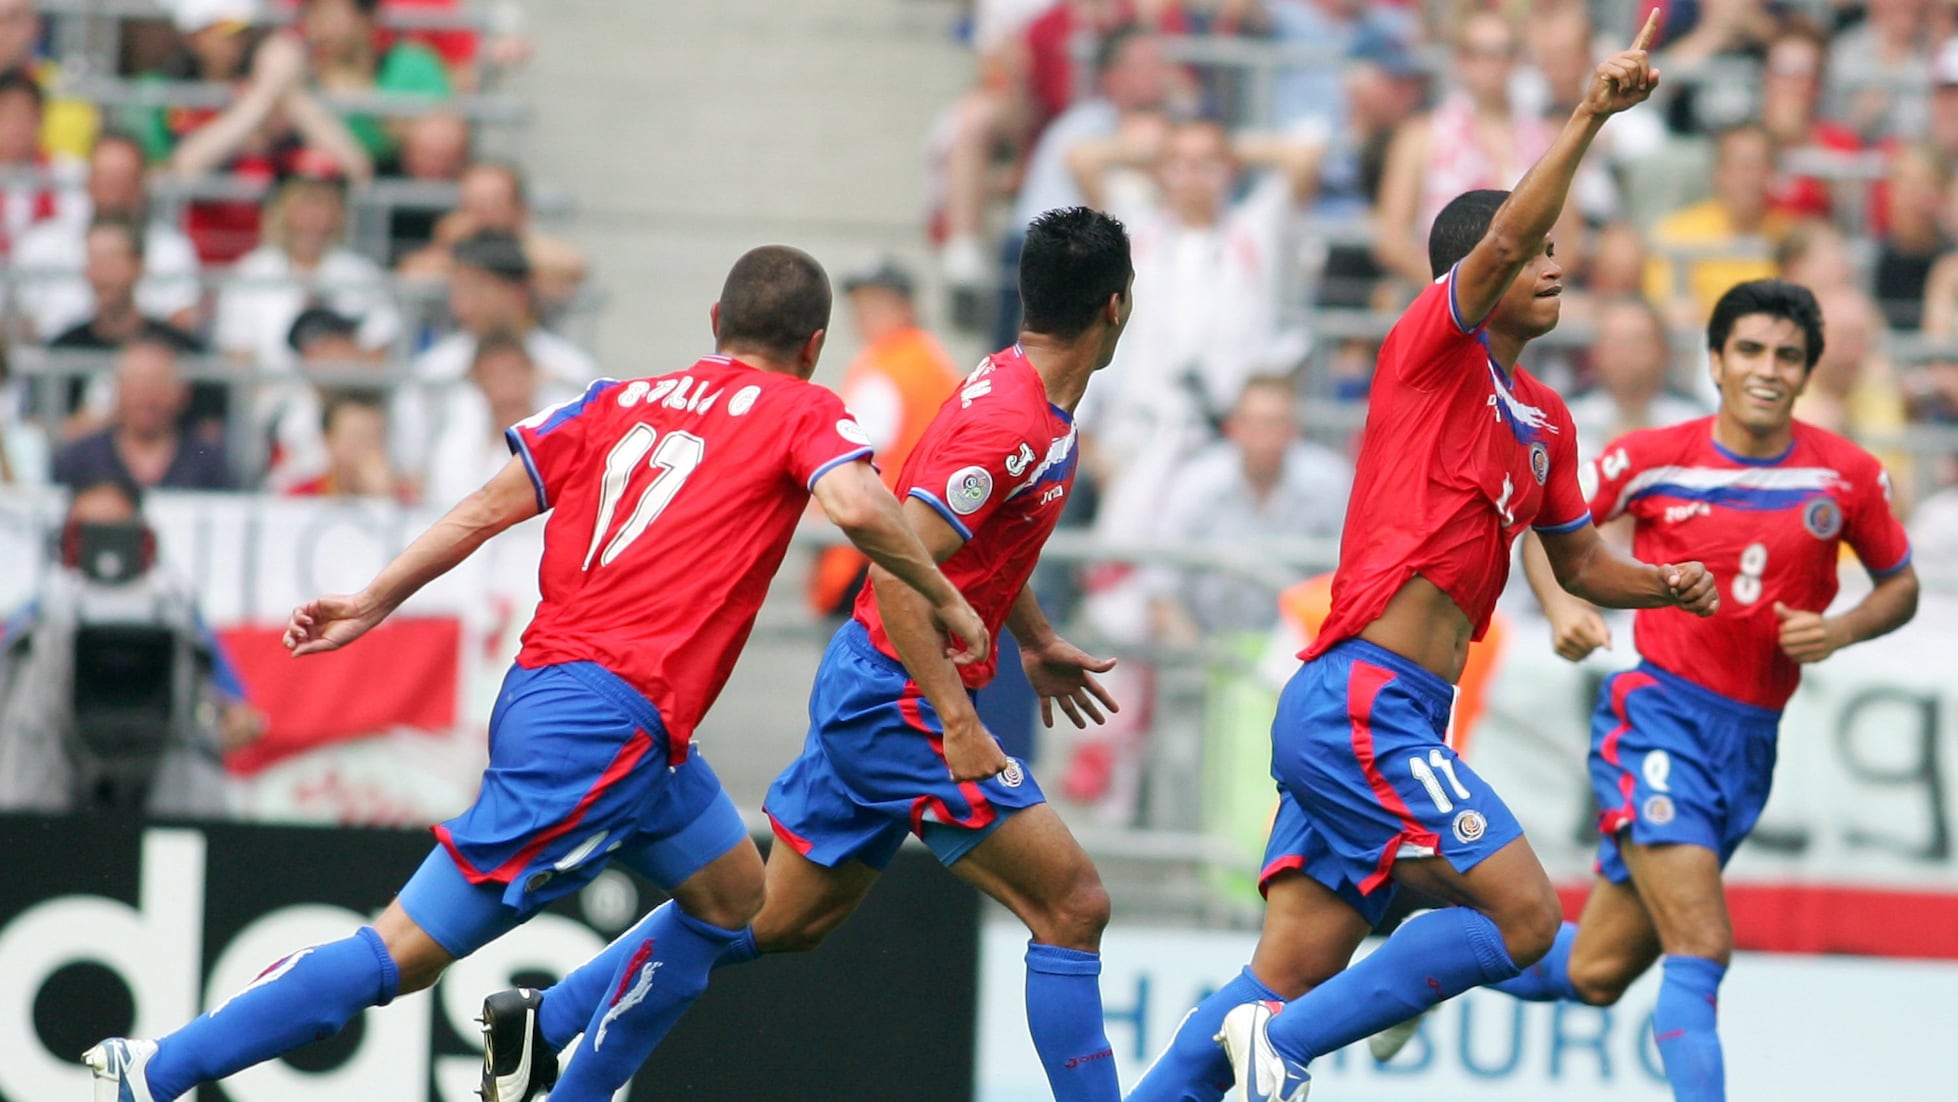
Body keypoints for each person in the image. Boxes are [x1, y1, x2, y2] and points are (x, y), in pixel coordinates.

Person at [83, 244, 988, 1102]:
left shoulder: (615, 398)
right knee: (399, 952)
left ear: (715, 318)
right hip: (601, 730)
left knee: (732, 895)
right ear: (816, 346)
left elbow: (484, 508)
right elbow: (857, 503)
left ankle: (550, 1053)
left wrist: (372, 599)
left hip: (585, 707)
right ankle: (159, 1069)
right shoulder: (803, 408)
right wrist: (945, 597)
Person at [1126, 18, 1719, 1102]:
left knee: (1278, 975)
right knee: (1524, 916)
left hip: (1386, 713)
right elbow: (1494, 245)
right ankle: (1304, 1042)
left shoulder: (1542, 419)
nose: (1552, 269)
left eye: (1554, 254)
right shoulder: (1426, 354)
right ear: (1480, 270)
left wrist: (1663, 583)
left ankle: (1246, 1051)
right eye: (1535, 252)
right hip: (1360, 702)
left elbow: (1579, 563)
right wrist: (1585, 112)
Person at [480, 207, 1136, 1102]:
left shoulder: (1015, 386)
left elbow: (957, 539)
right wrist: (955, 721)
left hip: (880, 681)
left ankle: (549, 1024)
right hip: (899, 697)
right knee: (1073, 907)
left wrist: (1038, 637)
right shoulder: (1012, 424)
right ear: (1118, 305)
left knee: (775, 917)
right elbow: (902, 568)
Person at [1482, 280, 1920, 1101]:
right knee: (1703, 944)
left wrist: (1843, 628)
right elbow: (1546, 519)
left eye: (1787, 356)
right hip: (1660, 719)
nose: (1767, 369)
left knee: (1595, 970)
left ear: (1807, 374)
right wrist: (1561, 602)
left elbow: (1900, 586)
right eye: (1749, 350)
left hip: (1748, 745)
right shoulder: (1652, 457)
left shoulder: (1848, 477)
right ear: (1715, 361)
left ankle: (1426, 963)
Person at [0, 476, 259, 816]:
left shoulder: (175, 614)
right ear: (67, 537)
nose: (103, 541)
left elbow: (234, 706)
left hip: (162, 773)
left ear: (142, 534)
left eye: (114, 526)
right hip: (53, 776)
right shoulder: (43, 611)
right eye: (88, 528)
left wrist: (228, 723)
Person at [1145, 376, 1352, 646]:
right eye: (1255, 424)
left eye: (1275, 423)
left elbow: (1349, 581)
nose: (1265, 437)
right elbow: (1160, 589)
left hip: (1306, 650)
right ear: (1234, 428)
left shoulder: (1331, 481)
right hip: (1207, 649)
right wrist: (1199, 657)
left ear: (1294, 429)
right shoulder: (1195, 483)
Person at [806, 258, 962, 616]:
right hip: (917, 544)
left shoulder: (886, 368)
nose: (862, 313)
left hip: (872, 551)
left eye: (875, 302)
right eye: (859, 303)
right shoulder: (929, 358)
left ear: (905, 308)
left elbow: (846, 463)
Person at [10, 131, 203, 340]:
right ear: (88, 180)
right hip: (57, 366)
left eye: (124, 177)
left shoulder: (172, 248)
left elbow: (180, 329)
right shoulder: (40, 243)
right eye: (106, 176)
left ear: (141, 183)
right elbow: (22, 330)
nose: (114, 188)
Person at [213, 170, 402, 374]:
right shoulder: (251, 273)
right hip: (270, 397)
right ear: (283, 209)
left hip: (344, 395)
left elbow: (379, 350)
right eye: (306, 202)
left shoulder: (361, 274)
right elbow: (238, 356)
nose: (316, 216)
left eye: (326, 204)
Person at [1644, 123, 1791, 322]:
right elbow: (1667, 307)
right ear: (1719, 172)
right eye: (1744, 166)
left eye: (1763, 166)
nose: (1753, 178)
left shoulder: (1792, 235)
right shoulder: (1677, 233)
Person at [51, 337, 237, 492]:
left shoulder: (207, 462)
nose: (146, 397)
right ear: (118, 389)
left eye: (157, 384)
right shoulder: (81, 458)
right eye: (136, 385)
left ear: (181, 393)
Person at [1565, 296, 1707, 464]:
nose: (1624, 354)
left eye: (1636, 342)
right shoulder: (1567, 419)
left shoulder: (1694, 421)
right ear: (1595, 352)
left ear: (1663, 351)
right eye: (1614, 342)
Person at [283, 390, 400, 498]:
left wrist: (382, 495)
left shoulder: (403, 498)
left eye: (374, 436)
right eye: (357, 436)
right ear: (329, 440)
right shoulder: (302, 496)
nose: (366, 447)